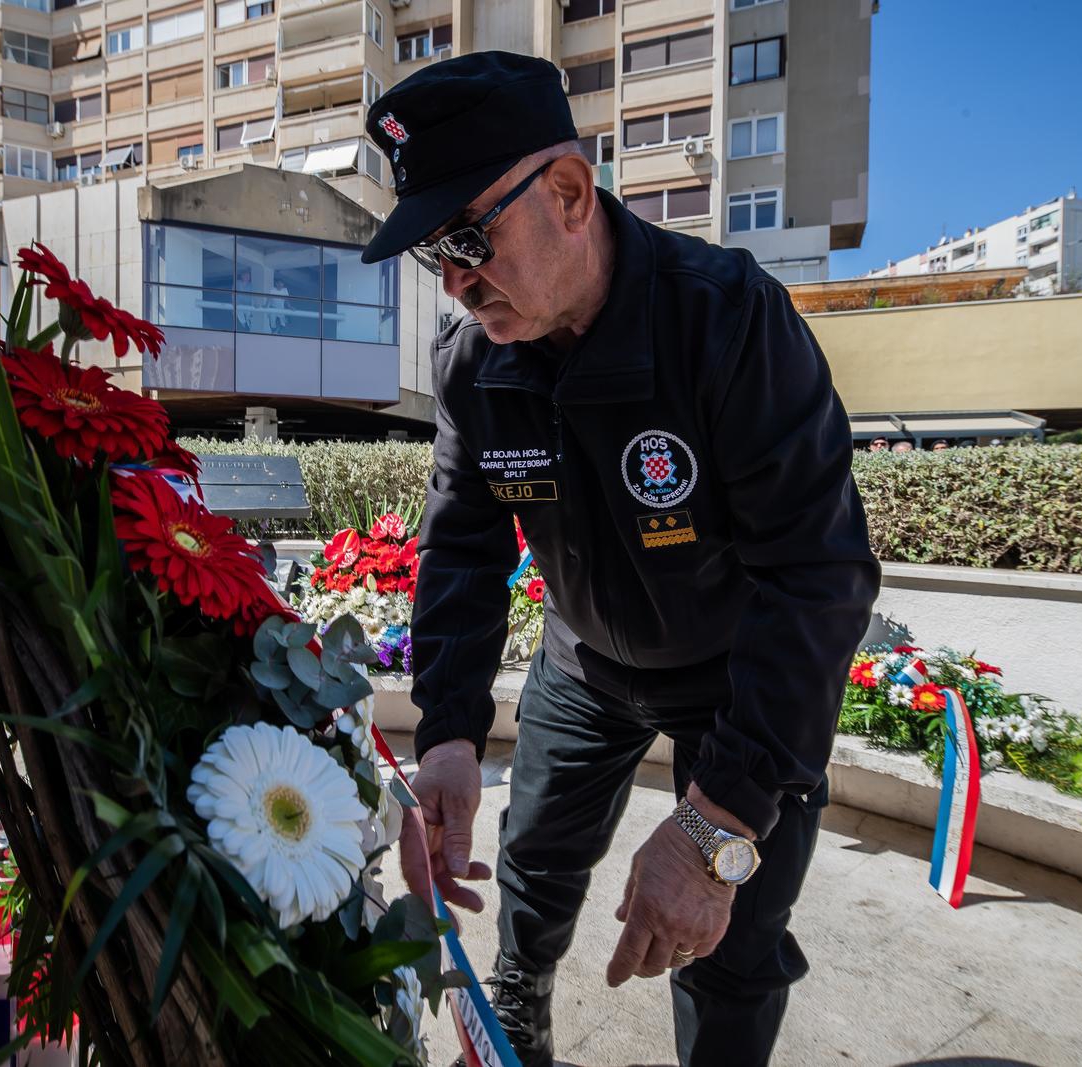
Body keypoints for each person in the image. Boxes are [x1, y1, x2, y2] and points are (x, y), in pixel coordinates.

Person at [358, 52, 879, 1067]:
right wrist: (452, 732)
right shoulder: (474, 363)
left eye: (470, 236)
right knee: (534, 865)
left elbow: (818, 575)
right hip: (584, 662)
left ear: (565, 192)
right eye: (436, 253)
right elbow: (462, 545)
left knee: (725, 931)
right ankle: (521, 1010)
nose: (459, 281)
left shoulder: (725, 316)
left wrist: (717, 822)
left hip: (734, 678)